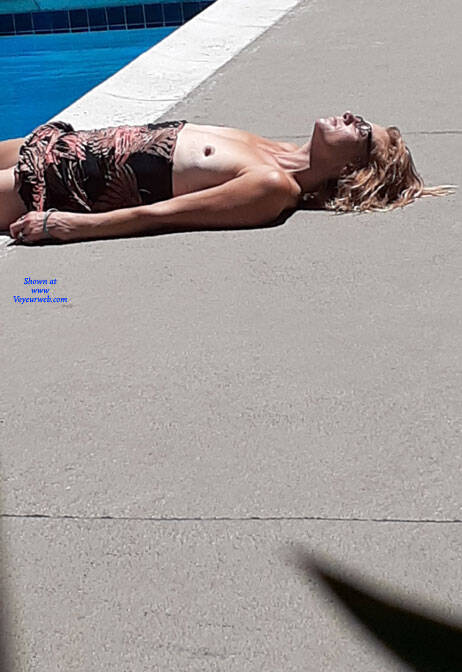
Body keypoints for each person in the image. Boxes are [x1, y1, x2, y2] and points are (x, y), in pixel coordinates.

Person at [0, 112, 451, 244]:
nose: (351, 116)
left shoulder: (273, 186)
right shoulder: (273, 147)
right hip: (62, 145)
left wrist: (72, 226)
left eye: (362, 131)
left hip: (61, 185)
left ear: (352, 170)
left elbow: (165, 215)